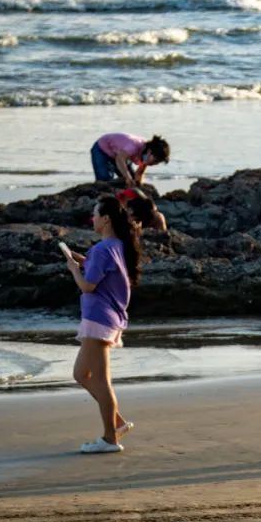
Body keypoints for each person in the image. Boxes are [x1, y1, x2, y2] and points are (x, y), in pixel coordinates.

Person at [62, 196, 143, 453]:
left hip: (99, 319)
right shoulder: (115, 246)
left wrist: (74, 269)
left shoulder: (102, 249)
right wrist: (83, 261)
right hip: (105, 319)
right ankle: (116, 422)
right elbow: (103, 270)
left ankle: (110, 438)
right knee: (81, 375)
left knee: (101, 380)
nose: (92, 219)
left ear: (106, 218)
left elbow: (88, 285)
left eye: (95, 214)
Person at [91, 133, 170, 187]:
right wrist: (127, 177)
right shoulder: (133, 146)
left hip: (119, 153)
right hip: (101, 149)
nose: (155, 164)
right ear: (149, 152)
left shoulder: (146, 154)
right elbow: (119, 159)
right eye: (155, 161)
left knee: (132, 181)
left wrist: (138, 185)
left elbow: (139, 174)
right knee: (104, 179)